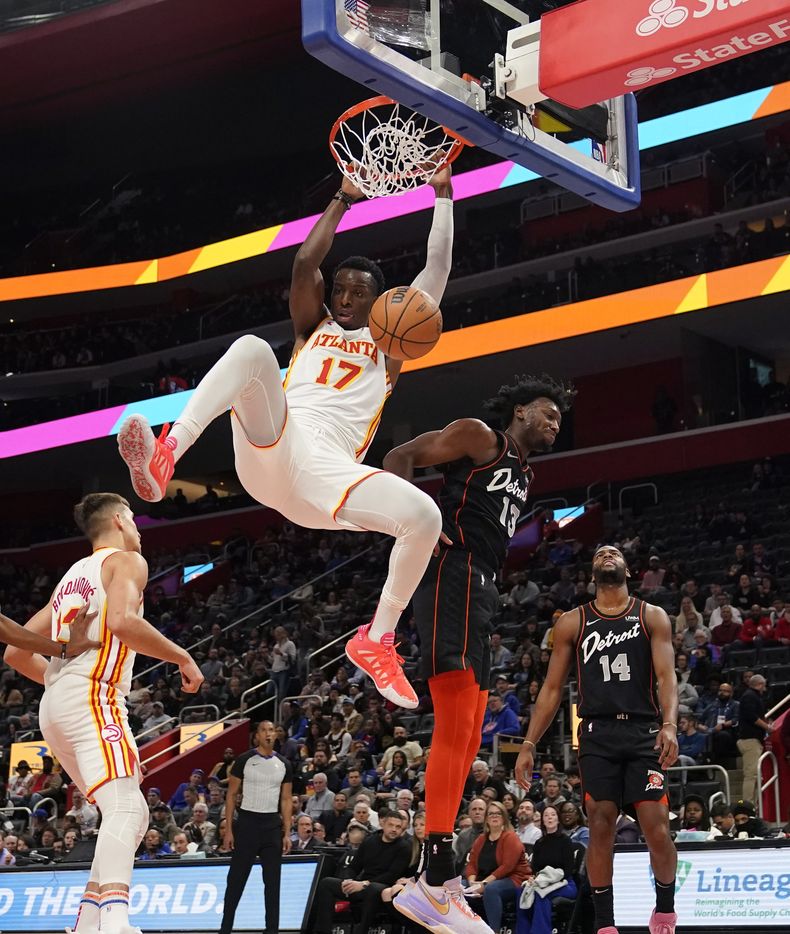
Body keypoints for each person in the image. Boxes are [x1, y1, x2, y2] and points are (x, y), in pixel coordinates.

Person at [118, 168, 456, 711]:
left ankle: (378, 639)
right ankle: (166, 457)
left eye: (358, 291)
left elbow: (436, 269)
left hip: (329, 475)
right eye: (340, 289)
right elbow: (304, 264)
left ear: (378, 303)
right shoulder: (311, 329)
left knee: (425, 517)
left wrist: (442, 194)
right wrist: (343, 198)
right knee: (253, 351)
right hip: (278, 443)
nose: (345, 297)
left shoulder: (391, 342)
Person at [384, 374, 573, 934]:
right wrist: (413, 524)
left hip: (483, 588)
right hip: (453, 573)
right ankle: (435, 877)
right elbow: (400, 455)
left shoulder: (524, 471)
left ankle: (435, 881)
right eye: (546, 413)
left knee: (470, 729)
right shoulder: (479, 437)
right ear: (519, 410)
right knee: (455, 716)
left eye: (559, 420)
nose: (554, 424)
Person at [4, 492, 203, 934]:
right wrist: (182, 656)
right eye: (134, 519)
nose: (138, 528)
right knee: (128, 810)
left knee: (127, 810)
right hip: (93, 694)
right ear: (118, 520)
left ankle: (89, 921)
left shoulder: (70, 579)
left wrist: (63, 682)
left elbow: (14, 653)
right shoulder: (126, 561)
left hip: (55, 704)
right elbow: (123, 624)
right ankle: (114, 923)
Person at [515, 544, 680, 934]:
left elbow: (666, 677)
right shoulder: (573, 622)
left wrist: (670, 724)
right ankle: (606, 924)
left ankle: (665, 911)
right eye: (600, 553)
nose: (607, 554)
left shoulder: (651, 615)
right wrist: (528, 743)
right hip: (596, 733)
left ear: (627, 567)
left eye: (614, 552)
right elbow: (552, 689)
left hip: (643, 732)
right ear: (592, 571)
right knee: (601, 824)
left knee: (656, 826)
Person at [220, 720, 293, 934]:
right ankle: (225, 929)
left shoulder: (284, 764)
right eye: (264, 730)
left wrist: (287, 832)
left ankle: (272, 930)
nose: (268, 734)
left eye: (271, 730)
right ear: (257, 736)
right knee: (235, 881)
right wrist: (230, 830)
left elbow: (286, 800)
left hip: (272, 826)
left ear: (276, 735)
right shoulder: (244, 760)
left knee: (272, 883)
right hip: (247, 824)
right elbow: (231, 795)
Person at [313, 808, 413, 934]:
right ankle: (323, 931)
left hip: (382, 886)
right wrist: (348, 880)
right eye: (391, 825)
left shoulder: (404, 847)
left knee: (374, 888)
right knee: (326, 883)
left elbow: (392, 876)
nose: (394, 829)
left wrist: (364, 883)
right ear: (382, 824)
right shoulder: (370, 841)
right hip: (360, 884)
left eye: (398, 827)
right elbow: (354, 867)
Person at [462, 800, 531, 934]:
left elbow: (507, 867)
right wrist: (472, 882)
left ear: (504, 818)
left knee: (491, 889)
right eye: (491, 814)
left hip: (513, 879)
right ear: (486, 819)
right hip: (484, 880)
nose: (494, 816)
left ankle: (494, 930)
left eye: (498, 814)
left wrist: (484, 883)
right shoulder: (481, 839)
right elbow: (472, 864)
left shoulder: (511, 838)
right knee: (458, 886)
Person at [515, 804, 578, 934]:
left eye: (553, 815)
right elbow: (535, 869)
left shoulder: (565, 841)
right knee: (521, 892)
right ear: (542, 820)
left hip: (565, 883)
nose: (550, 818)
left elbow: (568, 870)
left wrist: (548, 881)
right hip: (542, 882)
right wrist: (534, 878)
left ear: (558, 819)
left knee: (542, 894)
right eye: (546, 815)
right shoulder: (539, 843)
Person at [737, 674, 774, 802]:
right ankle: (747, 805)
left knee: (756, 775)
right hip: (750, 740)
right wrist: (767, 727)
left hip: (753, 740)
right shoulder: (750, 696)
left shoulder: (752, 696)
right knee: (751, 775)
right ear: (760, 684)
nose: (765, 688)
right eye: (764, 685)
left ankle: (754, 804)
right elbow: (751, 716)